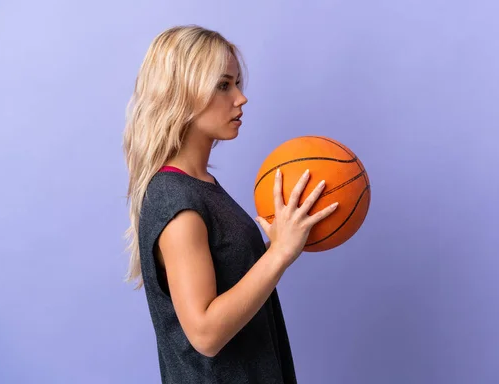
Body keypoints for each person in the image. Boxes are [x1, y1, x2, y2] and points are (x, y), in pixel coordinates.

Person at [122, 25, 339, 384]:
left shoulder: (200, 185)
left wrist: (283, 243)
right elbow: (205, 334)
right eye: (224, 85)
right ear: (182, 93)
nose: (241, 98)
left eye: (237, 83)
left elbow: (233, 286)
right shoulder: (176, 200)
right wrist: (278, 254)